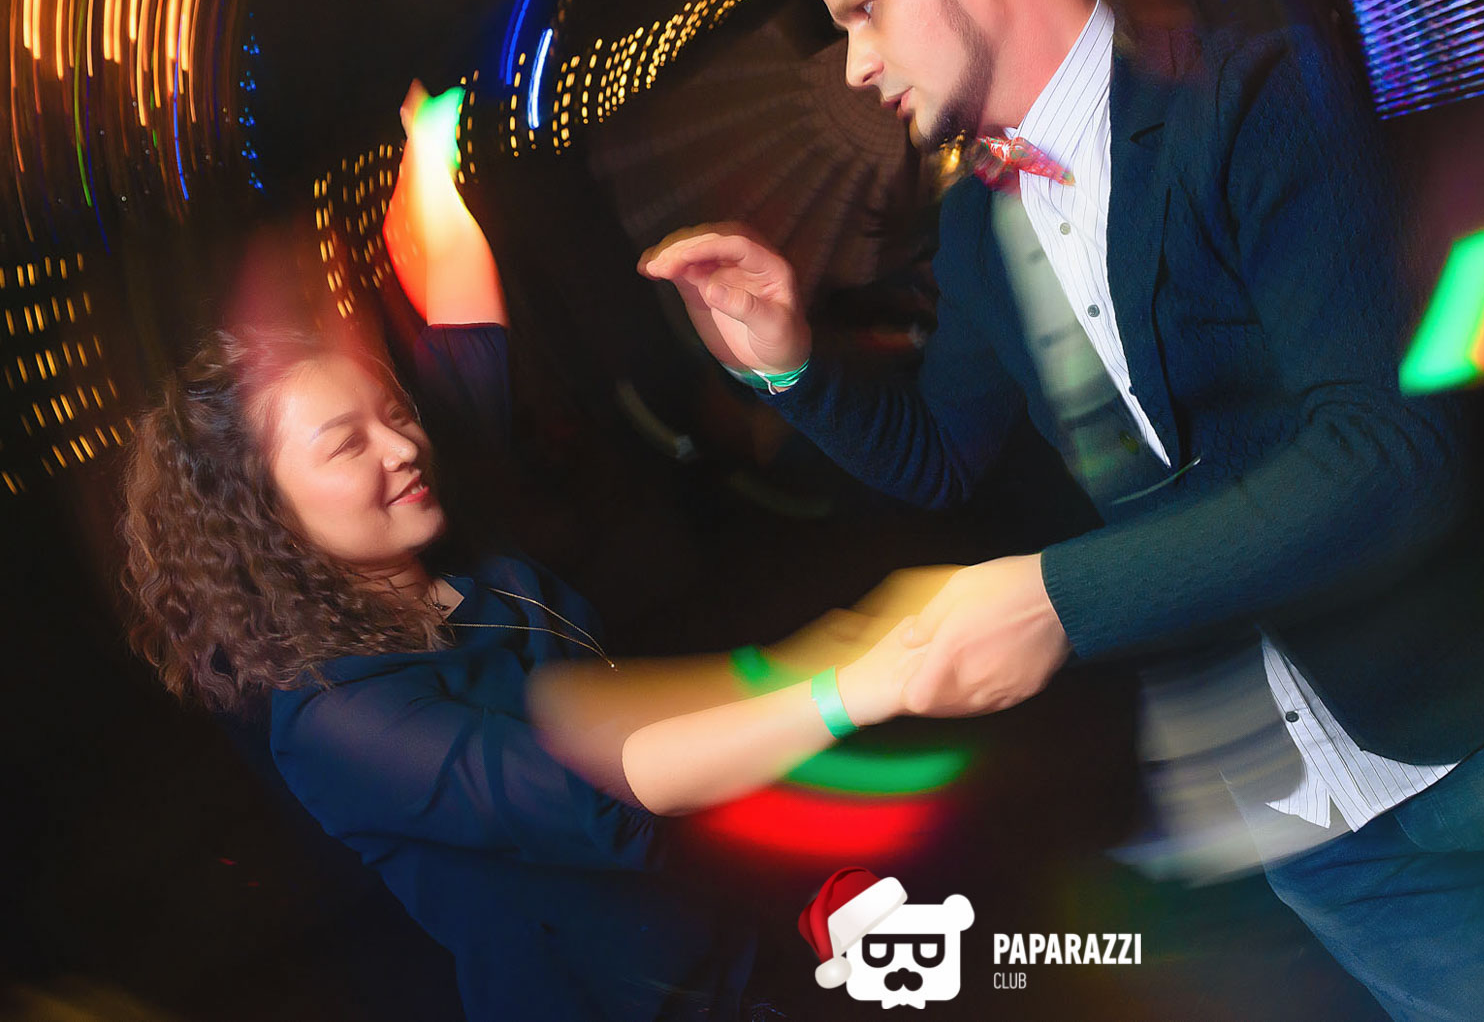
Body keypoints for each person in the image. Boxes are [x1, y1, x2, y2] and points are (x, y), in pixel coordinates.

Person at [641, 0, 1484, 1021]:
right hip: (1297, 802)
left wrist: (1058, 597)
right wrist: (786, 355)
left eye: (863, 9)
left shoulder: (1253, 103)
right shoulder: (975, 225)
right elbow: (937, 455)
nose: (854, 64)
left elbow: (1386, 454)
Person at [118, 83, 928, 1022]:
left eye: (393, 411)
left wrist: (429, 150)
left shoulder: (435, 513)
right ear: (265, 518)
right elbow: (600, 787)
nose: (402, 445)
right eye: (345, 444)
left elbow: (462, 304)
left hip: (735, 940)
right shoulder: (336, 716)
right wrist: (848, 684)